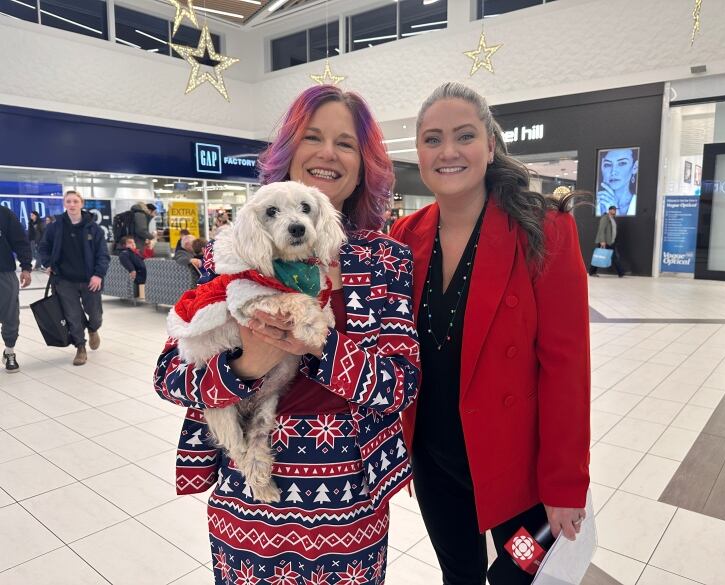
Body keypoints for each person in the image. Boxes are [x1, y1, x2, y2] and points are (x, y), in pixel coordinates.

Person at [153, 85, 419, 584]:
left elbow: (401, 384)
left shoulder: (386, 260)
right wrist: (249, 362)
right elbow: (170, 376)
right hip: (249, 491)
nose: (327, 153)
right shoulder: (229, 254)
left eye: (346, 143)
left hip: (347, 496)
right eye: (312, 136)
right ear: (288, 149)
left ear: (364, 164)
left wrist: (315, 347)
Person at [390, 82, 590, 584]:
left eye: (464, 135)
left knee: (517, 573)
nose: (448, 151)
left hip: (518, 471)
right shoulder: (404, 237)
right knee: (459, 576)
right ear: (419, 152)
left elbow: (568, 366)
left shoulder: (543, 230)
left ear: (491, 145)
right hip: (436, 464)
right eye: (433, 139)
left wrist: (566, 484)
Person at [39, 190, 110, 366]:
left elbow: (103, 255)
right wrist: (47, 264)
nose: (72, 204)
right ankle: (80, 347)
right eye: (68, 201)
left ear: (81, 203)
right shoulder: (55, 227)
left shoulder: (94, 228)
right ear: (64, 204)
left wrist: (98, 275)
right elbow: (43, 247)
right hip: (64, 280)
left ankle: (93, 329)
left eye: (75, 201)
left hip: (90, 280)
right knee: (72, 315)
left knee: (95, 314)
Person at [0, 206, 32, 372]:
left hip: (3, 272)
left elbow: (20, 241)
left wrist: (26, 267)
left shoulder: (4, 214)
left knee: (10, 315)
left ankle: (10, 351)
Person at [595, 148, 638, 216]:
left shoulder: (640, 203)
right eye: (608, 165)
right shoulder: (593, 204)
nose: (613, 172)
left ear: (635, 167)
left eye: (622, 163)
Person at [589, 205, 625, 277]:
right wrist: (602, 241)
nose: (615, 211)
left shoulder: (613, 219)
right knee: (599, 256)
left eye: (615, 210)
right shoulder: (605, 218)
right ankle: (592, 272)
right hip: (605, 241)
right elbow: (601, 230)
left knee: (614, 257)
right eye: (613, 210)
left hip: (612, 241)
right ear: (610, 210)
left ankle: (621, 273)